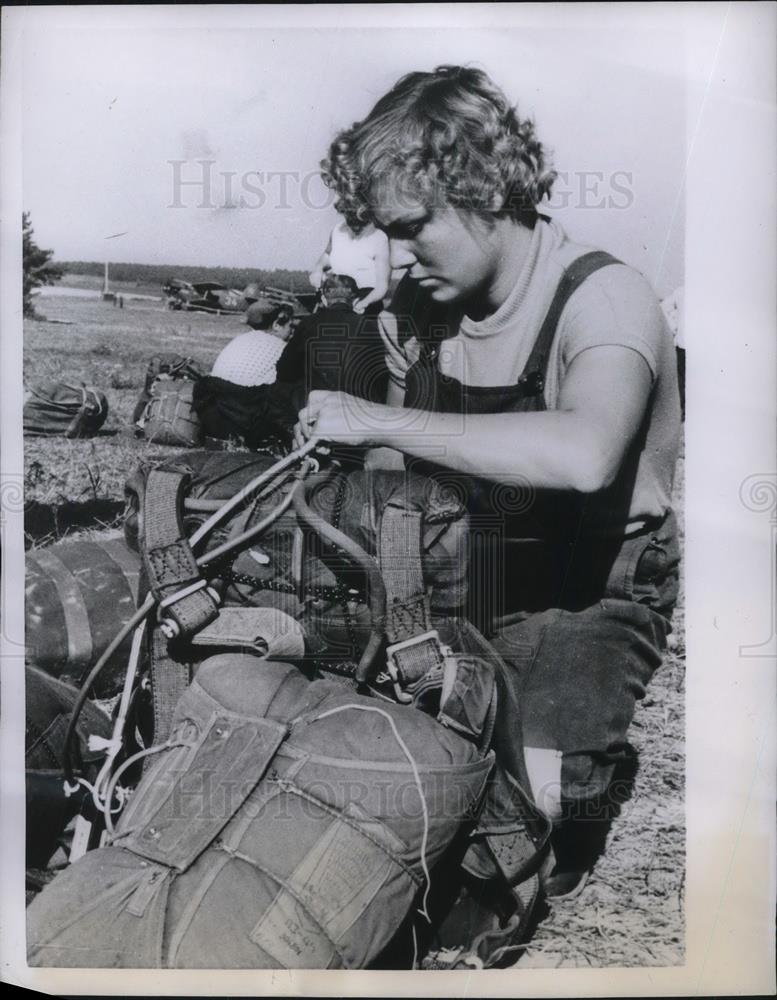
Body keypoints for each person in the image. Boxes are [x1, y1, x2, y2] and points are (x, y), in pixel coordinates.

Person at [295, 65, 681, 897]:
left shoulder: (603, 297)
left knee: (518, 832)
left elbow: (584, 457)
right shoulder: (418, 311)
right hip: (460, 566)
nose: (394, 257)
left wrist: (375, 421)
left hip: (588, 587)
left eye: (411, 228)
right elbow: (395, 477)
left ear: (482, 189)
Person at [277, 273, 388, 404]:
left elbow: (284, 370)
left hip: (320, 405)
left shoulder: (308, 323)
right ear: (356, 301)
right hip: (361, 406)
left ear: (324, 300)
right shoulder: (371, 326)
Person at [309, 217, 391, 314]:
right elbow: (327, 256)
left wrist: (362, 304)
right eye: (350, 216)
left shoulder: (380, 237)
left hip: (367, 302)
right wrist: (318, 269)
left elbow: (382, 287)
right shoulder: (337, 230)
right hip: (338, 299)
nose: (354, 223)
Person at [210, 297, 295, 387]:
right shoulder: (281, 347)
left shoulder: (240, 339)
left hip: (213, 393)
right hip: (241, 397)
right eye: (290, 326)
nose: (292, 331)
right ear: (276, 325)